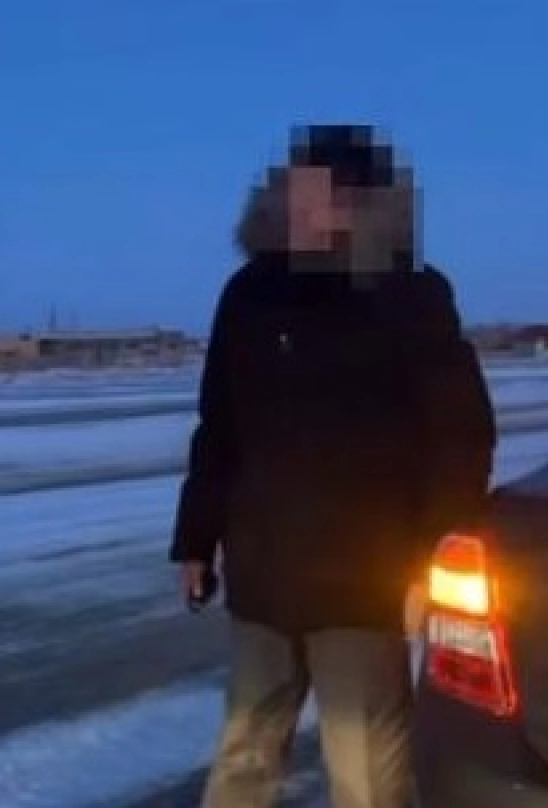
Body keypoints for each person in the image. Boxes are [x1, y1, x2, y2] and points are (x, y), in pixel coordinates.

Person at [171, 124, 496, 808]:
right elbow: (218, 427)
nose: (301, 204)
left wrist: (430, 558)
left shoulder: (409, 293)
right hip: (263, 574)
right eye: (296, 189)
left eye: (319, 193)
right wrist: (195, 541)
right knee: (244, 754)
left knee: (367, 775)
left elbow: (459, 439)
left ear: (362, 202)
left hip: (362, 585)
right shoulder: (249, 293)